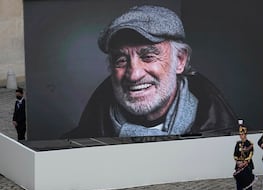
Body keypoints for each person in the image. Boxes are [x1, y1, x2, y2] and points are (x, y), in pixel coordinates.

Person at [65, 5, 237, 138]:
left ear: (180, 61)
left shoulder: (234, 140)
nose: (134, 75)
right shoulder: (77, 144)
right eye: (121, 60)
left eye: (148, 56)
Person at [232, 121, 254, 190]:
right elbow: (235, 154)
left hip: (247, 165)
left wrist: (244, 163)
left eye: (242, 134)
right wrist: (238, 162)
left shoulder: (249, 144)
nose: (241, 136)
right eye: (240, 134)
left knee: (248, 181)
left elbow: (250, 155)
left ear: (245, 134)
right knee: (239, 182)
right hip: (239, 165)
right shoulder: (238, 144)